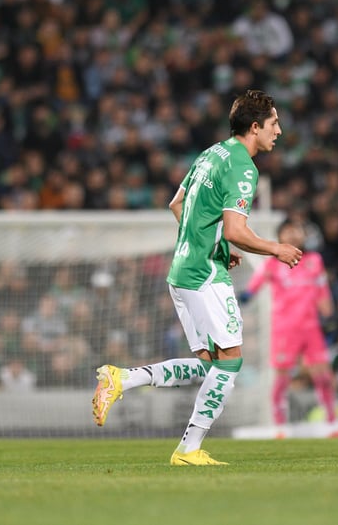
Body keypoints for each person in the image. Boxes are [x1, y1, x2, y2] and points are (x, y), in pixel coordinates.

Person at [92, 90, 303, 466]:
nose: (279, 131)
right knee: (232, 361)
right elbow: (237, 230)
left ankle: (123, 379)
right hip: (205, 274)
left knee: (212, 366)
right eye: (273, 124)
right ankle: (188, 449)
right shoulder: (242, 166)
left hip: (182, 270)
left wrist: (216, 244)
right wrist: (276, 249)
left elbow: (178, 204)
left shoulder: (211, 153)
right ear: (254, 128)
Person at [241, 218, 338, 436]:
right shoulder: (273, 262)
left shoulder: (315, 260)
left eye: (297, 230)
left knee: (323, 376)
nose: (294, 235)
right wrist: (246, 296)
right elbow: (255, 284)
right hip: (285, 329)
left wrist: (330, 317)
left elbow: (322, 290)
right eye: (288, 231)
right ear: (280, 236)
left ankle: (332, 424)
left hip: (311, 328)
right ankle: (279, 427)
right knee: (282, 379)